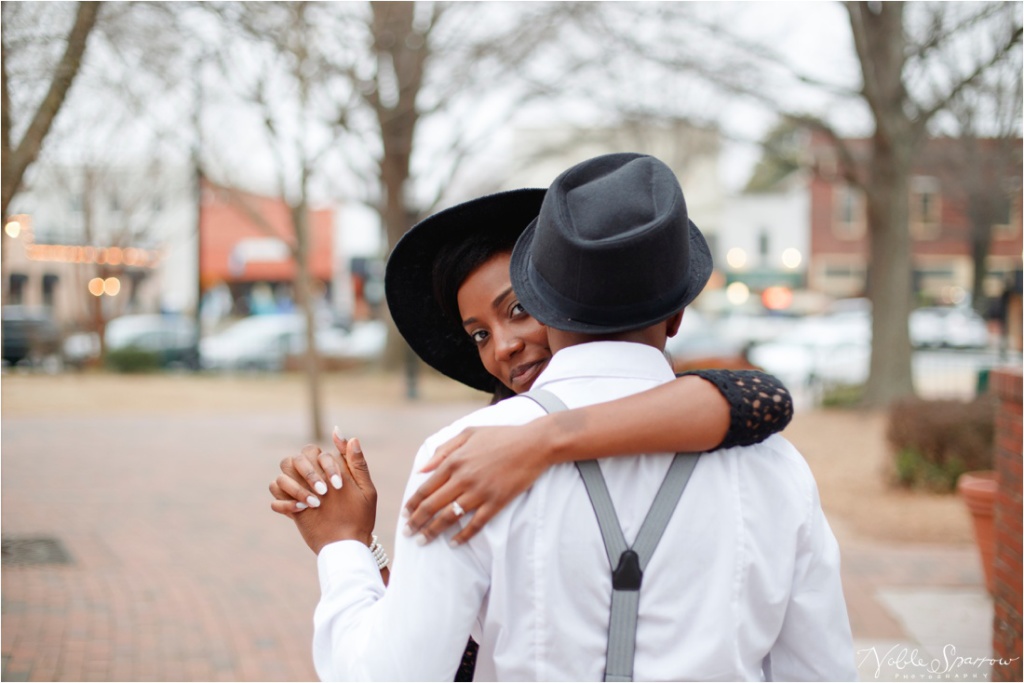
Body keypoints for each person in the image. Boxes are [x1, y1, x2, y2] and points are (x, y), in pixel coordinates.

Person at [275, 153, 855, 680]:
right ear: (678, 315)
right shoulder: (776, 467)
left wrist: (342, 548)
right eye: (480, 333)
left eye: (518, 310)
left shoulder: (463, 458)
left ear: (545, 303)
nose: (502, 347)